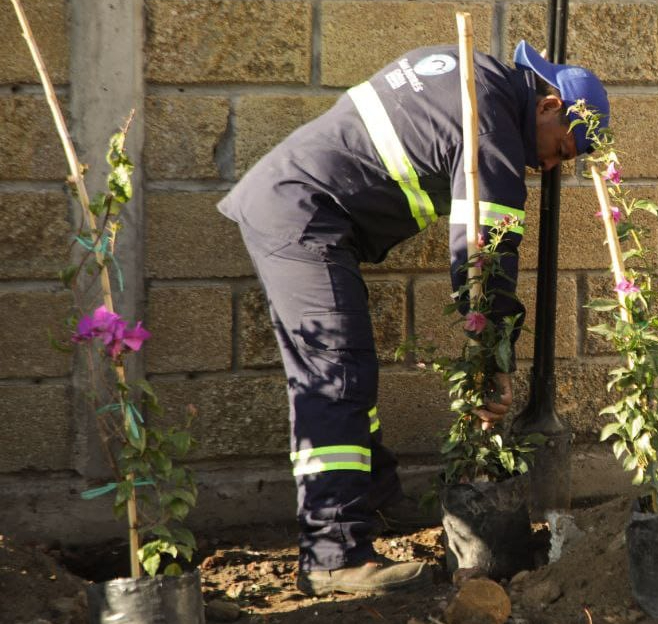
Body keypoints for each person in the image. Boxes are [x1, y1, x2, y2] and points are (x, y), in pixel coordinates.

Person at [217, 42, 609, 596]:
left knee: (349, 367)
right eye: (560, 150)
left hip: (296, 204)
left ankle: (376, 500)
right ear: (548, 106)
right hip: (303, 215)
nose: (547, 167)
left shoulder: (468, 69)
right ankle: (332, 555)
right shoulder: (490, 123)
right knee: (335, 374)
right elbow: (484, 255)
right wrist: (493, 360)